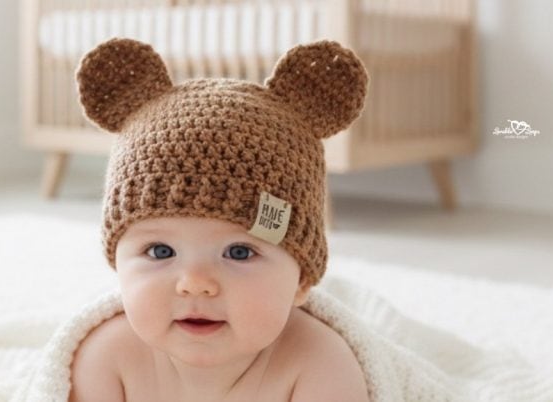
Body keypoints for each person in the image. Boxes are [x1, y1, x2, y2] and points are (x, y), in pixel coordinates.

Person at [68, 37, 370, 402]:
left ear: (302, 280)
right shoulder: (106, 359)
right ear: (117, 264)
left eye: (240, 252)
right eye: (160, 251)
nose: (195, 284)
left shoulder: (318, 365)